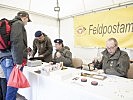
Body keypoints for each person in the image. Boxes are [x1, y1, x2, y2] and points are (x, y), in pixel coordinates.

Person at [0, 11, 31, 100]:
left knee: (10, 85)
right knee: (12, 87)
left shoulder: (12, 24)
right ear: (25, 17)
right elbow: (16, 42)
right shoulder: (18, 23)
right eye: (27, 21)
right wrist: (18, 61)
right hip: (12, 59)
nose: (26, 23)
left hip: (5, 58)